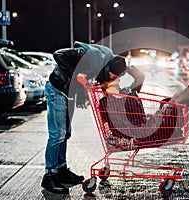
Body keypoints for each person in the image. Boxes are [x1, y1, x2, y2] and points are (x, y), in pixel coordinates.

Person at [41, 41, 145, 194]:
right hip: (57, 89)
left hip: (68, 93)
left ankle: (60, 169)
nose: (112, 79)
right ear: (108, 69)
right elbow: (58, 55)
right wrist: (75, 76)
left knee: (65, 134)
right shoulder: (89, 56)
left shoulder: (112, 61)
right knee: (57, 135)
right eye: (112, 76)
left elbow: (132, 73)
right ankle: (49, 175)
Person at [97, 39, 189, 142]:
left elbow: (140, 76)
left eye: (117, 76)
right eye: (112, 78)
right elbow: (116, 128)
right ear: (105, 84)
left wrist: (124, 67)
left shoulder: (126, 92)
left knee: (181, 98)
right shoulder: (106, 102)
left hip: (150, 125)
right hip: (144, 133)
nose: (117, 78)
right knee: (181, 98)